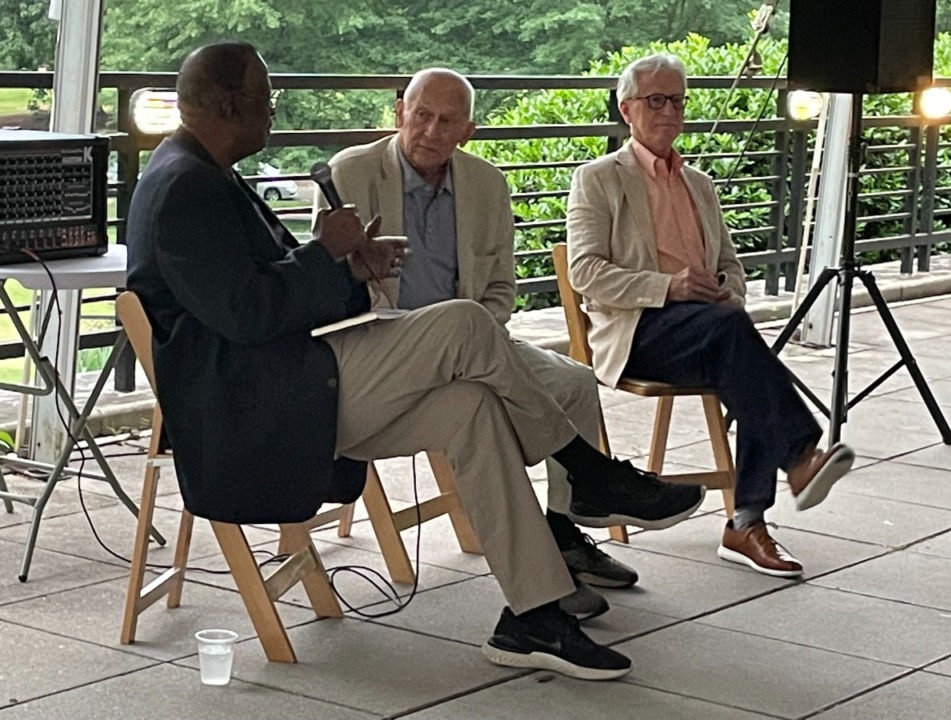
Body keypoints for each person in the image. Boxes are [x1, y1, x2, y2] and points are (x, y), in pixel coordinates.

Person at [125, 41, 703, 680]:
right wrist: (327, 252)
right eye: (267, 98)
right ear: (234, 104)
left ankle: (532, 615)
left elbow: (264, 295)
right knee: (464, 323)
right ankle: (590, 471)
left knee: (472, 408)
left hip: (291, 378)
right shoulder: (185, 186)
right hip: (262, 403)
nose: (271, 111)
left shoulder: (203, 174)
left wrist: (351, 267)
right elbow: (250, 313)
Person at [320, 68, 642, 621]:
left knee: (574, 380)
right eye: (420, 115)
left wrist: (479, 337)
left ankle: (563, 530)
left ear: (467, 131)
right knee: (472, 356)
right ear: (399, 112)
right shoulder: (351, 172)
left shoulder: (486, 184)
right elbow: (328, 283)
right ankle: (595, 476)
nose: (429, 130)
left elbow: (500, 289)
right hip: (385, 348)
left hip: (472, 339)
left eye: (447, 121)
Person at [565, 53, 857, 578]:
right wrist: (668, 287)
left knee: (738, 351)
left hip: (708, 330)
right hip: (639, 330)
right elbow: (585, 272)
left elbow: (731, 267)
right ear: (626, 108)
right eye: (656, 100)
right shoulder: (599, 179)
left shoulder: (699, 183)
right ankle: (792, 464)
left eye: (677, 100)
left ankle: (748, 520)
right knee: (739, 345)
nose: (670, 112)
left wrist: (727, 294)